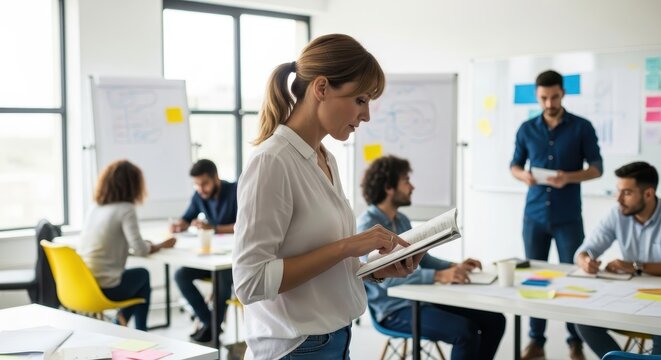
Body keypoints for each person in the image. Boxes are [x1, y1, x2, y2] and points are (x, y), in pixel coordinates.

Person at [232, 34, 423, 360]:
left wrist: (377, 270)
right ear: (321, 88)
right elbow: (250, 282)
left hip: (334, 338)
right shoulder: (273, 161)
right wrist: (349, 246)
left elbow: (320, 260)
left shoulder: (325, 158)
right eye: (360, 100)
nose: (366, 116)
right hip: (296, 347)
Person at [358, 155, 506, 360]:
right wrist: (439, 276)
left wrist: (455, 266)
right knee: (465, 332)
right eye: (406, 181)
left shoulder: (401, 220)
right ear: (388, 187)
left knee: (495, 320)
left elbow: (424, 260)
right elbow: (386, 279)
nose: (412, 187)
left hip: (421, 298)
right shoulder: (368, 226)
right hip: (393, 309)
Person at [510, 69, 603, 360]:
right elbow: (514, 165)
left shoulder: (582, 127)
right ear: (538, 96)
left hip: (567, 217)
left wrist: (570, 177)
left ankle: (576, 342)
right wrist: (523, 176)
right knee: (535, 277)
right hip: (534, 215)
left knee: (574, 277)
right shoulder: (527, 129)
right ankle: (536, 342)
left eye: (553, 97)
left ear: (562, 93)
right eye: (543, 98)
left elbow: (597, 168)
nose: (549, 103)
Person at [573, 161, 661, 357]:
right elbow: (585, 250)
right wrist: (585, 260)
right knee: (584, 320)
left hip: (658, 301)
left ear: (648, 193)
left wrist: (636, 266)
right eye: (617, 191)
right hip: (630, 295)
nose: (618, 199)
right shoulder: (617, 214)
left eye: (627, 193)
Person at [79, 160, 176, 331]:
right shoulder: (126, 209)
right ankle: (141, 331)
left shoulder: (95, 207)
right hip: (106, 287)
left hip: (84, 283)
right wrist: (162, 245)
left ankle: (123, 319)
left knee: (137, 280)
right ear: (133, 185)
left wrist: (145, 244)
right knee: (143, 276)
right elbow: (140, 249)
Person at [169, 159, 237, 342]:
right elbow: (186, 218)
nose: (201, 189)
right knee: (180, 275)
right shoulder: (199, 195)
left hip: (233, 261)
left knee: (222, 278)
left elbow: (244, 225)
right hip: (212, 258)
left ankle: (212, 328)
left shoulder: (236, 190)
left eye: (204, 183)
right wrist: (178, 225)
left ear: (216, 178)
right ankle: (210, 323)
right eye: (196, 185)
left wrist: (213, 228)